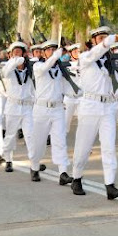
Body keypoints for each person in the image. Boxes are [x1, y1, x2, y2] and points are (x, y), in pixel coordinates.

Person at [70, 26, 118, 199]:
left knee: (109, 147)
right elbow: (97, 52)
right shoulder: (86, 56)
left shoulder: (109, 61)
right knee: (84, 146)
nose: (103, 40)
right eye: (100, 38)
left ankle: (110, 184)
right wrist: (109, 40)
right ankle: (76, 177)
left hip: (107, 107)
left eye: (105, 37)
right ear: (93, 40)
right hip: (90, 105)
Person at [29, 39, 73, 184]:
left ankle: (63, 172)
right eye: (49, 50)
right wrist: (55, 57)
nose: (52, 52)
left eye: (54, 49)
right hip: (41, 109)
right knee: (39, 142)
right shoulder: (37, 66)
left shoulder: (60, 69)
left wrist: (79, 92)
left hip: (58, 108)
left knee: (60, 140)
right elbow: (44, 68)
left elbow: (66, 87)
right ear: (43, 52)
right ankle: (34, 167)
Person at [1, 41, 35, 173]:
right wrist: (14, 61)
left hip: (27, 107)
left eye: (19, 52)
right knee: (10, 135)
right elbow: (4, 72)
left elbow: (34, 87)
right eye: (14, 53)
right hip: (13, 106)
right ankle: (8, 159)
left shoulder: (30, 69)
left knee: (30, 135)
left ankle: (34, 164)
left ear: (24, 53)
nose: (16, 55)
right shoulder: (9, 68)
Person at [63, 43, 82, 133]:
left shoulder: (83, 64)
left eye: (78, 51)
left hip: (81, 97)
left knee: (83, 119)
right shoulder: (65, 65)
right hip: (69, 97)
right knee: (66, 120)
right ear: (70, 53)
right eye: (75, 52)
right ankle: (61, 136)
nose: (77, 53)